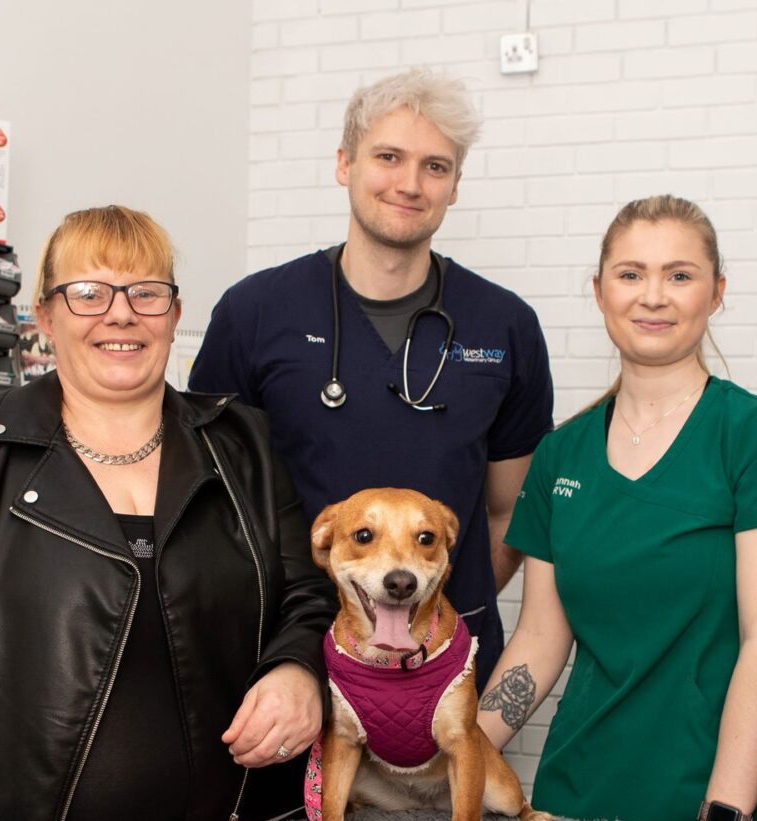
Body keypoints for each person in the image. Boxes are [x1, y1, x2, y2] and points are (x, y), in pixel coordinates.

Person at [0, 205, 336, 821]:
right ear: (44, 314)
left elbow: (308, 594)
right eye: (88, 292)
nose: (120, 314)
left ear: (175, 314)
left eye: (146, 293)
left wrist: (297, 672)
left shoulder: (241, 443)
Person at [188, 68, 553, 689]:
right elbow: (211, 503)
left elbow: (508, 512)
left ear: (455, 185)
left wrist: (417, 603)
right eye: (389, 157)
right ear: (344, 163)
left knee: (455, 791)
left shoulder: (506, 325)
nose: (410, 184)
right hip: (291, 662)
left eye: (435, 167)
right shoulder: (254, 313)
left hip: (445, 667)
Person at [476, 196, 757, 821]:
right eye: (631, 274)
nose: (653, 296)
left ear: (716, 293)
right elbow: (541, 638)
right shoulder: (561, 454)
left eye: (680, 276)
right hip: (576, 798)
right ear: (600, 291)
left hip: (715, 809)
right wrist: (461, 756)